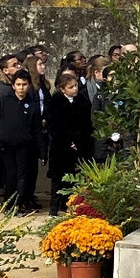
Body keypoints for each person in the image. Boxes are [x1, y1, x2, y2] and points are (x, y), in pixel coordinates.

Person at [0, 69, 42, 213]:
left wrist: (42, 151)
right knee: (11, 175)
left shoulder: (32, 105)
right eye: (18, 84)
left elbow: (37, 129)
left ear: (29, 85)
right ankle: (9, 205)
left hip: (24, 146)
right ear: (13, 86)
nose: (21, 87)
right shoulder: (4, 101)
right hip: (6, 145)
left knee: (22, 175)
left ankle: (20, 203)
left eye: (24, 84)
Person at [47, 72, 93, 216]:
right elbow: (55, 126)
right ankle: (54, 209)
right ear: (62, 89)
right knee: (58, 179)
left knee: (76, 178)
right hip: (61, 148)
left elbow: (87, 123)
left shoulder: (82, 100)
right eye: (71, 87)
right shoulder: (55, 102)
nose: (75, 89)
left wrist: (79, 142)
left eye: (76, 86)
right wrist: (68, 143)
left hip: (80, 145)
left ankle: (72, 207)